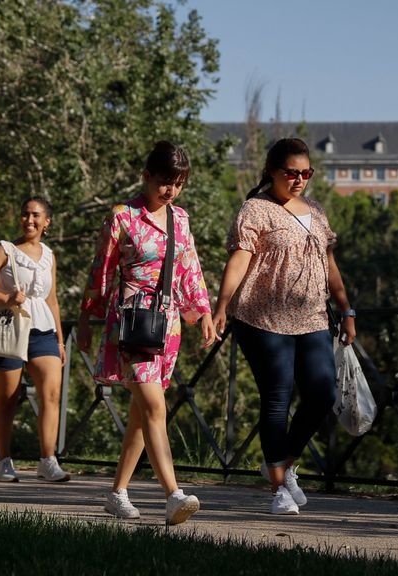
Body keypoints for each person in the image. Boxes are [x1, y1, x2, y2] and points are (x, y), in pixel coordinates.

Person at [212, 137, 357, 515]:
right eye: (290, 173)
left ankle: (283, 462)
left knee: (323, 393)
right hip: (262, 317)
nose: (298, 180)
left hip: (311, 316)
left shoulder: (317, 211)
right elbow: (240, 259)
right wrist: (222, 304)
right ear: (271, 172)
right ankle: (278, 488)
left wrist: (346, 309)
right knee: (277, 397)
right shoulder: (255, 210)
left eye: (305, 173)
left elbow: (329, 265)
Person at [77, 141, 217, 526]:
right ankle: (173, 495)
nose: (170, 190)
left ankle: (117, 493)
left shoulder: (180, 219)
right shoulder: (123, 216)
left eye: (178, 183)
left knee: (142, 413)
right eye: (164, 182)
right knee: (155, 407)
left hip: (166, 325)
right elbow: (101, 271)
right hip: (131, 321)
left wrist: (202, 311)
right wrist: (88, 316)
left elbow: (190, 267)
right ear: (147, 176)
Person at [0, 196, 70, 483]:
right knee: (8, 399)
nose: (29, 220)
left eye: (36, 215)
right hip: (8, 328)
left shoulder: (49, 255)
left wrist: (60, 340)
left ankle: (48, 461)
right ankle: (4, 461)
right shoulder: (6, 250)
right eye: (25, 214)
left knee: (51, 394)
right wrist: (6, 297)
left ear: (46, 221)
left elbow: (52, 299)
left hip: (43, 330)